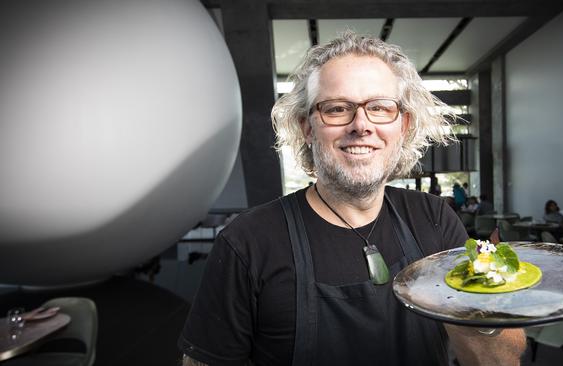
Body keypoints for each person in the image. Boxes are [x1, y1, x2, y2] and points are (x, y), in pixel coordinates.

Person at [179, 32, 525, 366]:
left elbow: (501, 360)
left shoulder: (434, 218)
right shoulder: (247, 242)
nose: (361, 125)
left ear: (402, 125)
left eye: (379, 107)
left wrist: (480, 311)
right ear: (307, 127)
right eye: (337, 108)